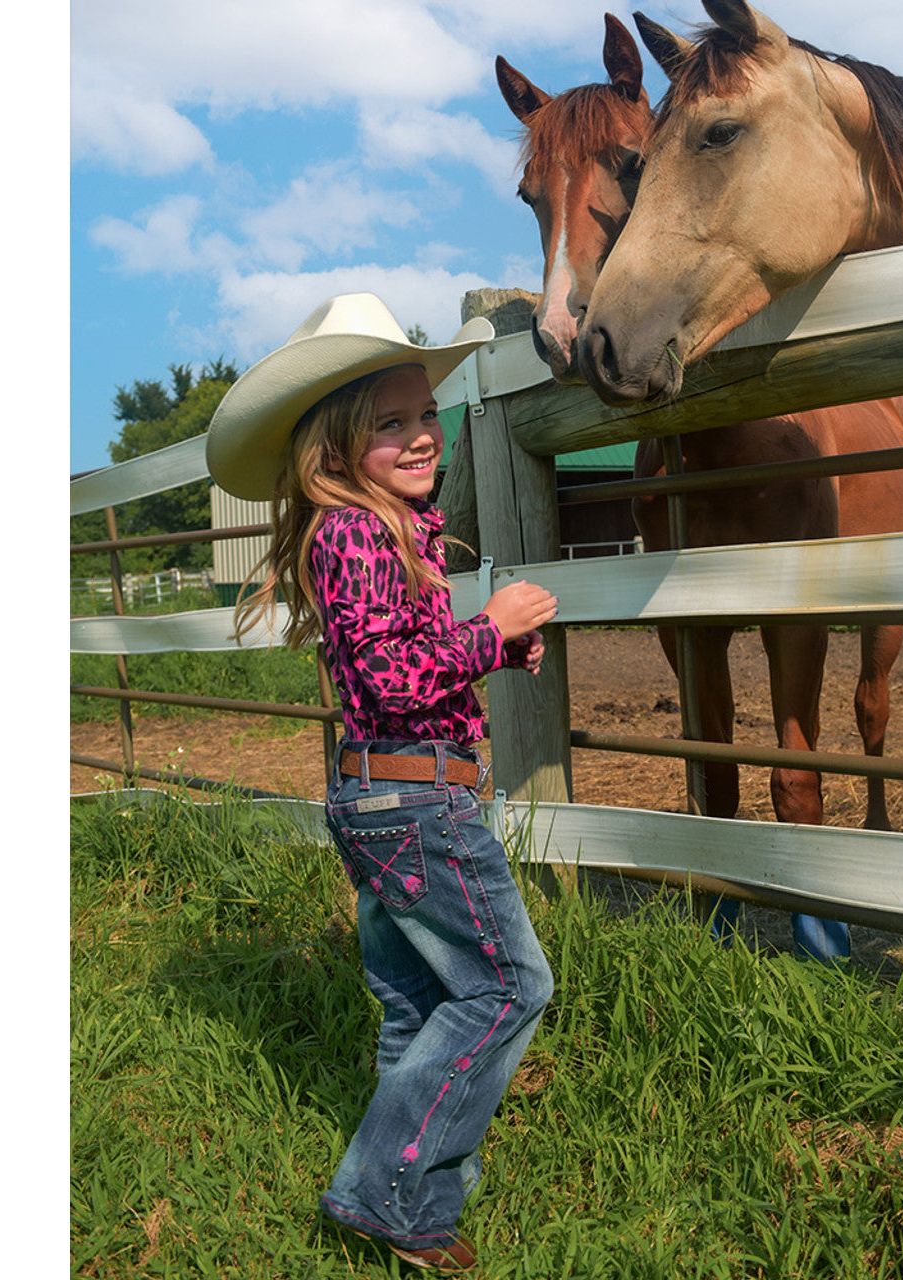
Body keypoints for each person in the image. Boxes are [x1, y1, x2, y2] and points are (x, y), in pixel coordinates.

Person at [206, 292, 559, 1273]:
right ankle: (379, 1191)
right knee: (505, 984)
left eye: (421, 415)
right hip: (414, 802)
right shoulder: (354, 533)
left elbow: (404, 653)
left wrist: (494, 646)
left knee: (415, 1001)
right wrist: (489, 628)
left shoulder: (386, 529)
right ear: (335, 443)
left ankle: (417, 1209)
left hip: (384, 796)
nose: (415, 436)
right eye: (387, 423)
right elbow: (390, 676)